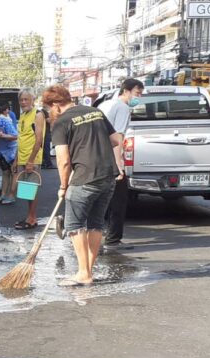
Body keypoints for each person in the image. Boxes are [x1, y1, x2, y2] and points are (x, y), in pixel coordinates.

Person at [43, 85, 123, 287]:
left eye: (50, 108)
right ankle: (88, 270)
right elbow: (116, 140)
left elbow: (63, 160)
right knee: (96, 224)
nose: (50, 112)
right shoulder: (95, 112)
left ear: (56, 104)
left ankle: (83, 273)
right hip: (108, 176)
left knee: (74, 225)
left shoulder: (61, 122)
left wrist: (63, 186)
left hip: (85, 178)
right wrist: (94, 146)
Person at [98, 78, 144, 249]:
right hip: (111, 159)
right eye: (137, 93)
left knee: (102, 199)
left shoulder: (107, 104)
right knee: (118, 200)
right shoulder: (122, 107)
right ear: (126, 91)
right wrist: (119, 165)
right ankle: (113, 239)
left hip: (98, 158)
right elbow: (117, 138)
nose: (139, 97)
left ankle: (92, 234)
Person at [13, 88, 46, 230]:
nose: (23, 102)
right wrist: (16, 159)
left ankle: (32, 219)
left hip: (32, 159)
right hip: (22, 157)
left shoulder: (38, 114)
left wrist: (31, 160)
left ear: (33, 99)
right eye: (21, 100)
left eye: (26, 99)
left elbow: (39, 140)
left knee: (32, 189)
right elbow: (20, 139)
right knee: (26, 191)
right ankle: (30, 216)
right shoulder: (23, 115)